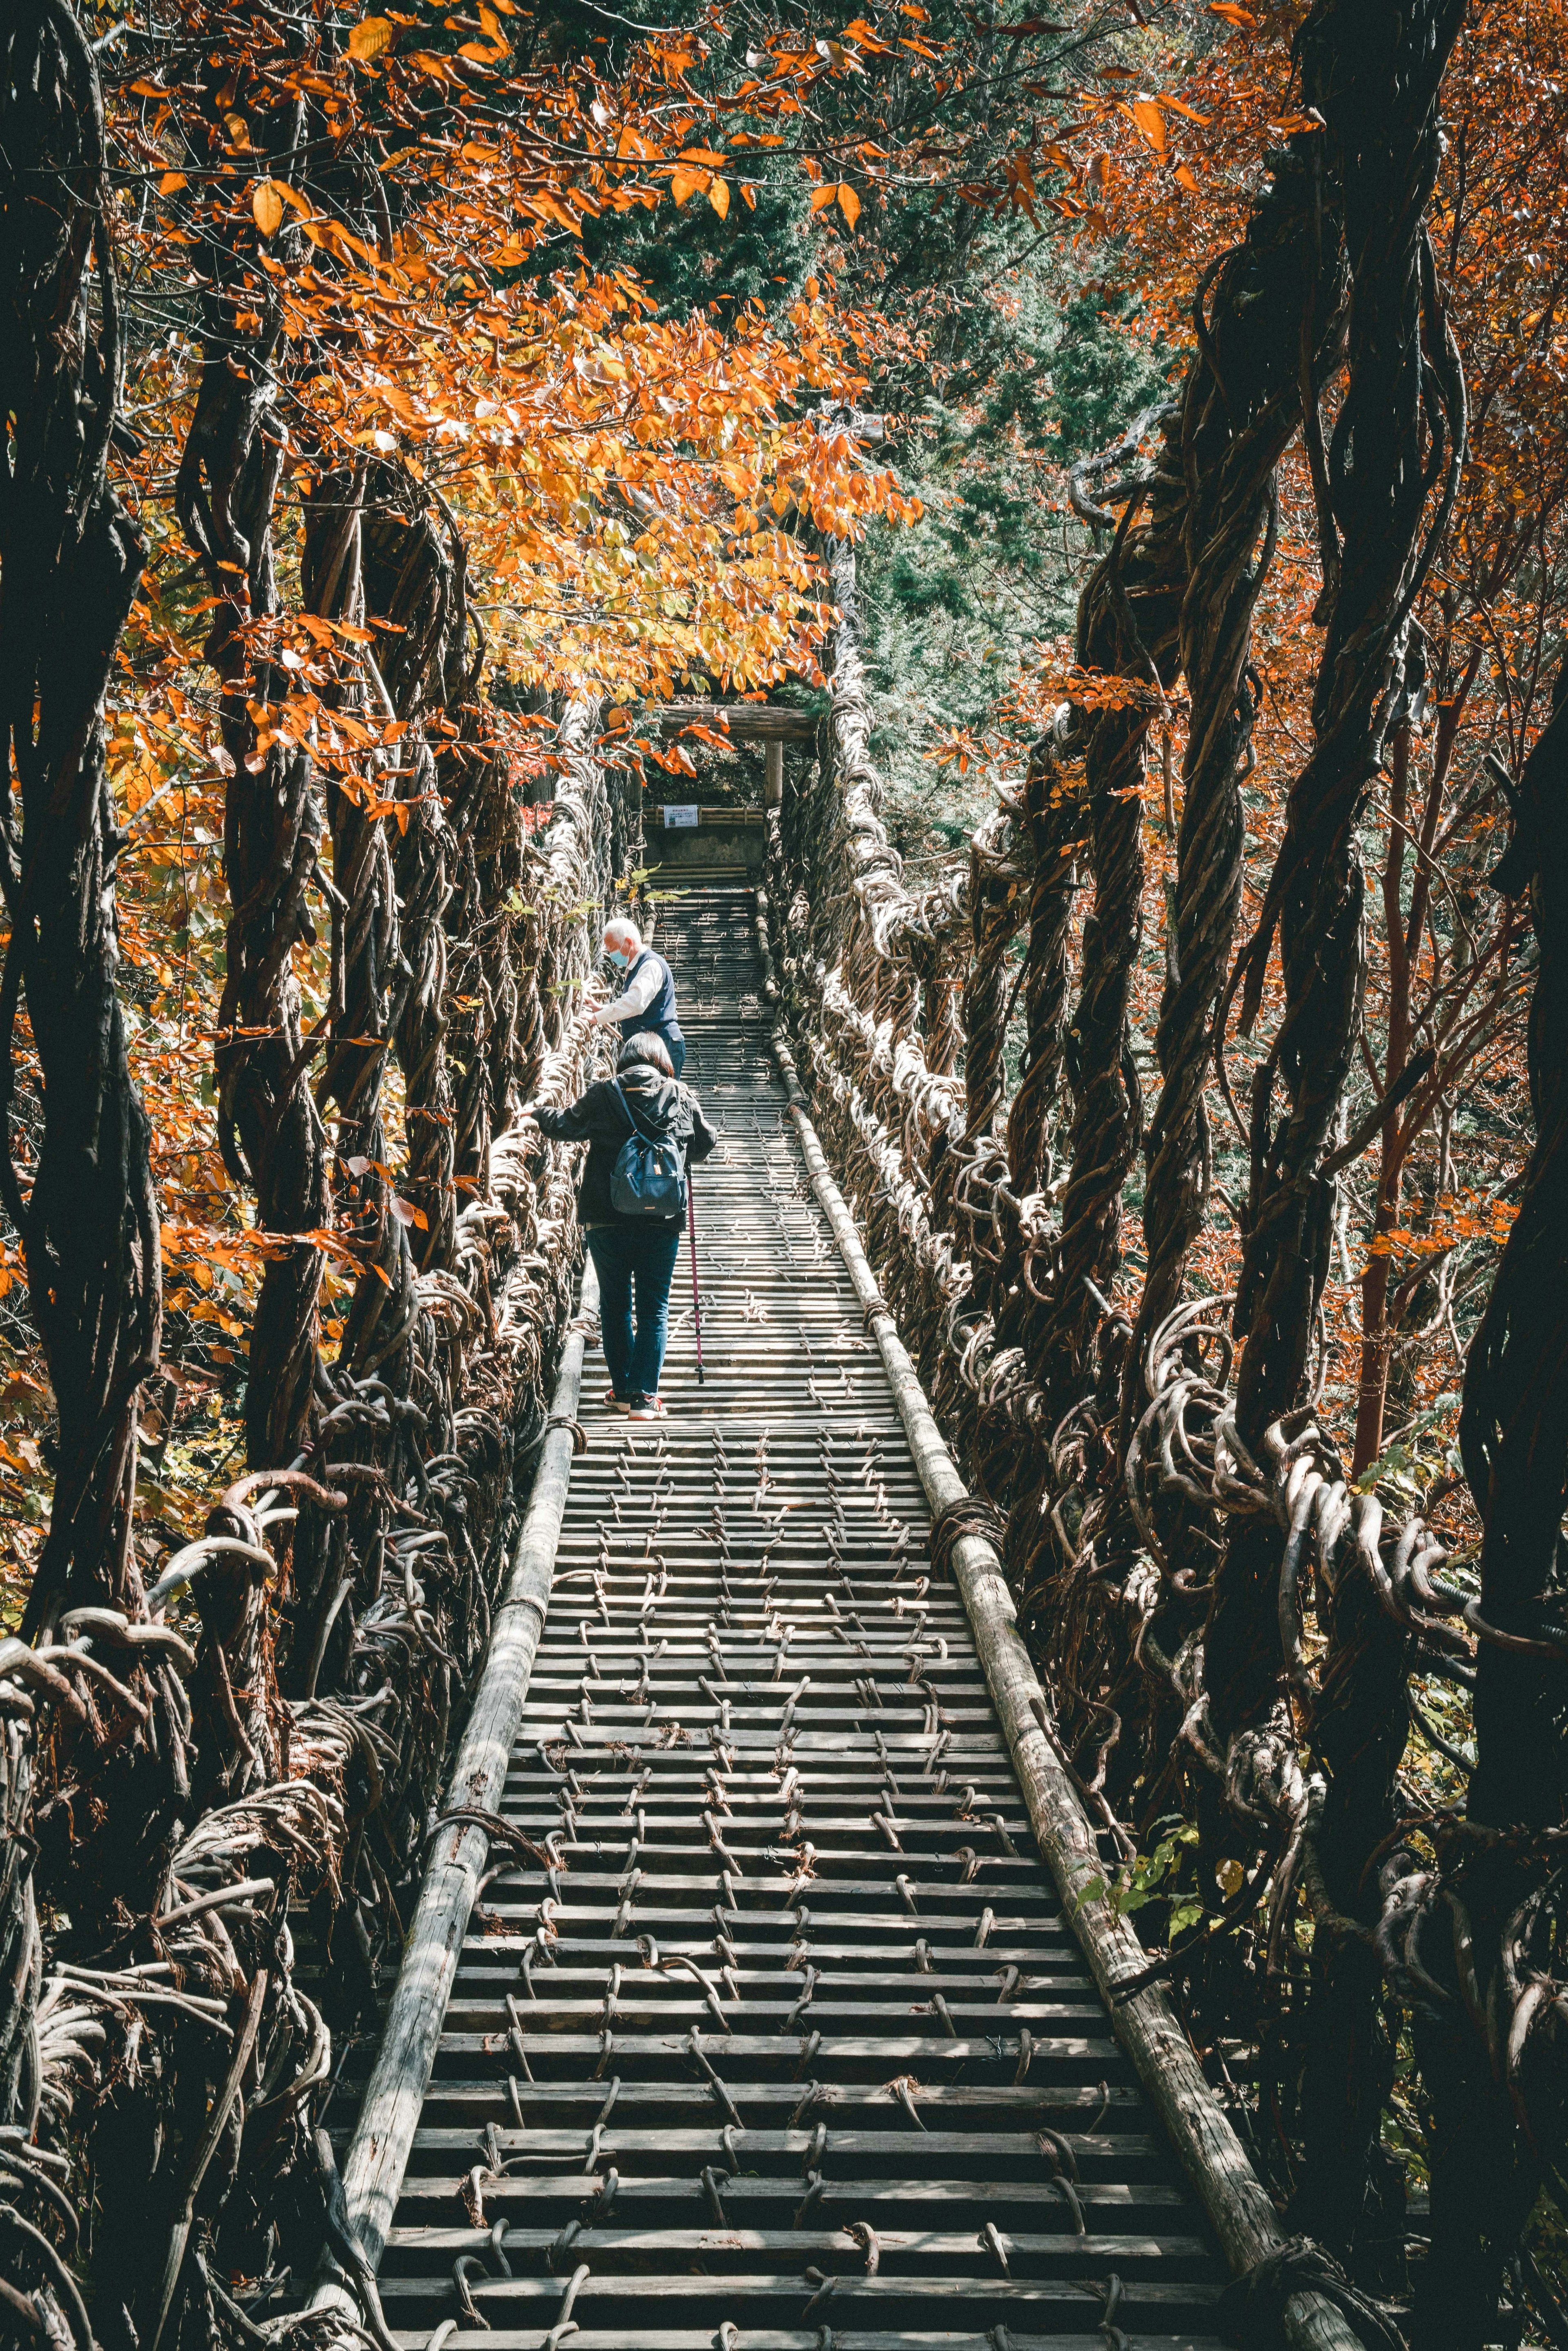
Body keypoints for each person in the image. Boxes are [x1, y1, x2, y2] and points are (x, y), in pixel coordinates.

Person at [521, 1032, 716, 1420]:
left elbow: (566, 1126)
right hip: (662, 1220)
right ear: (663, 1061)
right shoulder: (679, 1095)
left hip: (605, 1217)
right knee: (654, 1308)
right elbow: (705, 1142)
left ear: (623, 1060)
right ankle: (645, 1398)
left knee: (614, 1306)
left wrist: (537, 1113)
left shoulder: (604, 1093)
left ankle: (623, 1391)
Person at [585, 916, 685, 1076]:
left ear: (628, 942)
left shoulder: (651, 966)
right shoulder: (637, 966)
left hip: (663, 1047)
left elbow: (636, 1003)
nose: (612, 955)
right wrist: (602, 1008)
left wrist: (598, 1017)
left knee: (662, 1098)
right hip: (650, 1048)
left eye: (613, 949)